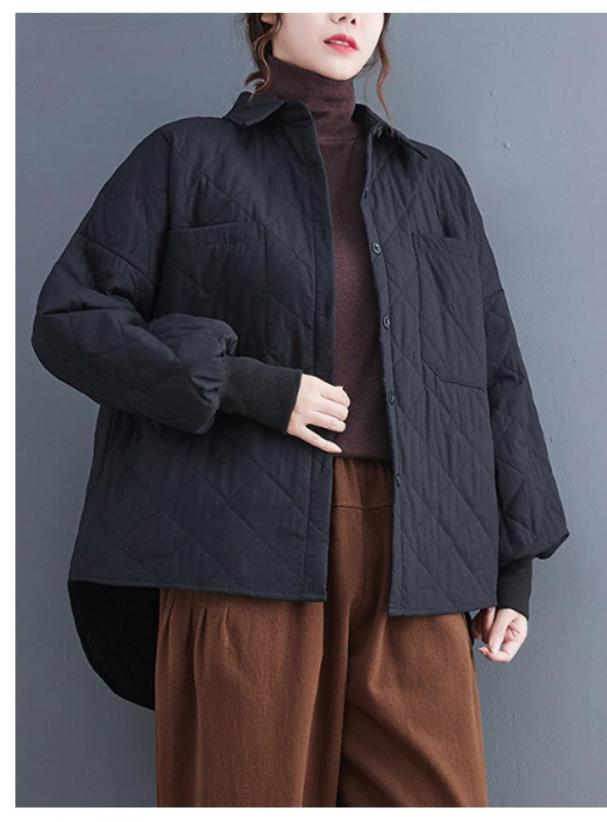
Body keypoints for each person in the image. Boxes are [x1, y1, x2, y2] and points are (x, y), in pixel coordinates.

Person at [30, 12, 570, 808]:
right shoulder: (187, 156)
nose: (349, 13)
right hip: (240, 541)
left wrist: (512, 566)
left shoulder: (433, 183)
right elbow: (69, 320)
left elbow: (494, 373)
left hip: (417, 554)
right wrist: (245, 385)